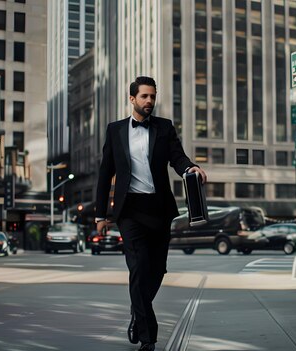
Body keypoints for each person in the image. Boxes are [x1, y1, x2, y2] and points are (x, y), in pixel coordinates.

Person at [95, 76, 206, 351]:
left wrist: (190, 168)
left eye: (152, 97)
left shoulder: (164, 127)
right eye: (144, 96)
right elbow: (104, 174)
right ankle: (148, 336)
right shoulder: (115, 130)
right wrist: (100, 215)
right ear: (132, 99)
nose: (149, 102)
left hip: (159, 210)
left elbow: (177, 157)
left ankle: (138, 311)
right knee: (138, 269)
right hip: (129, 211)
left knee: (157, 270)